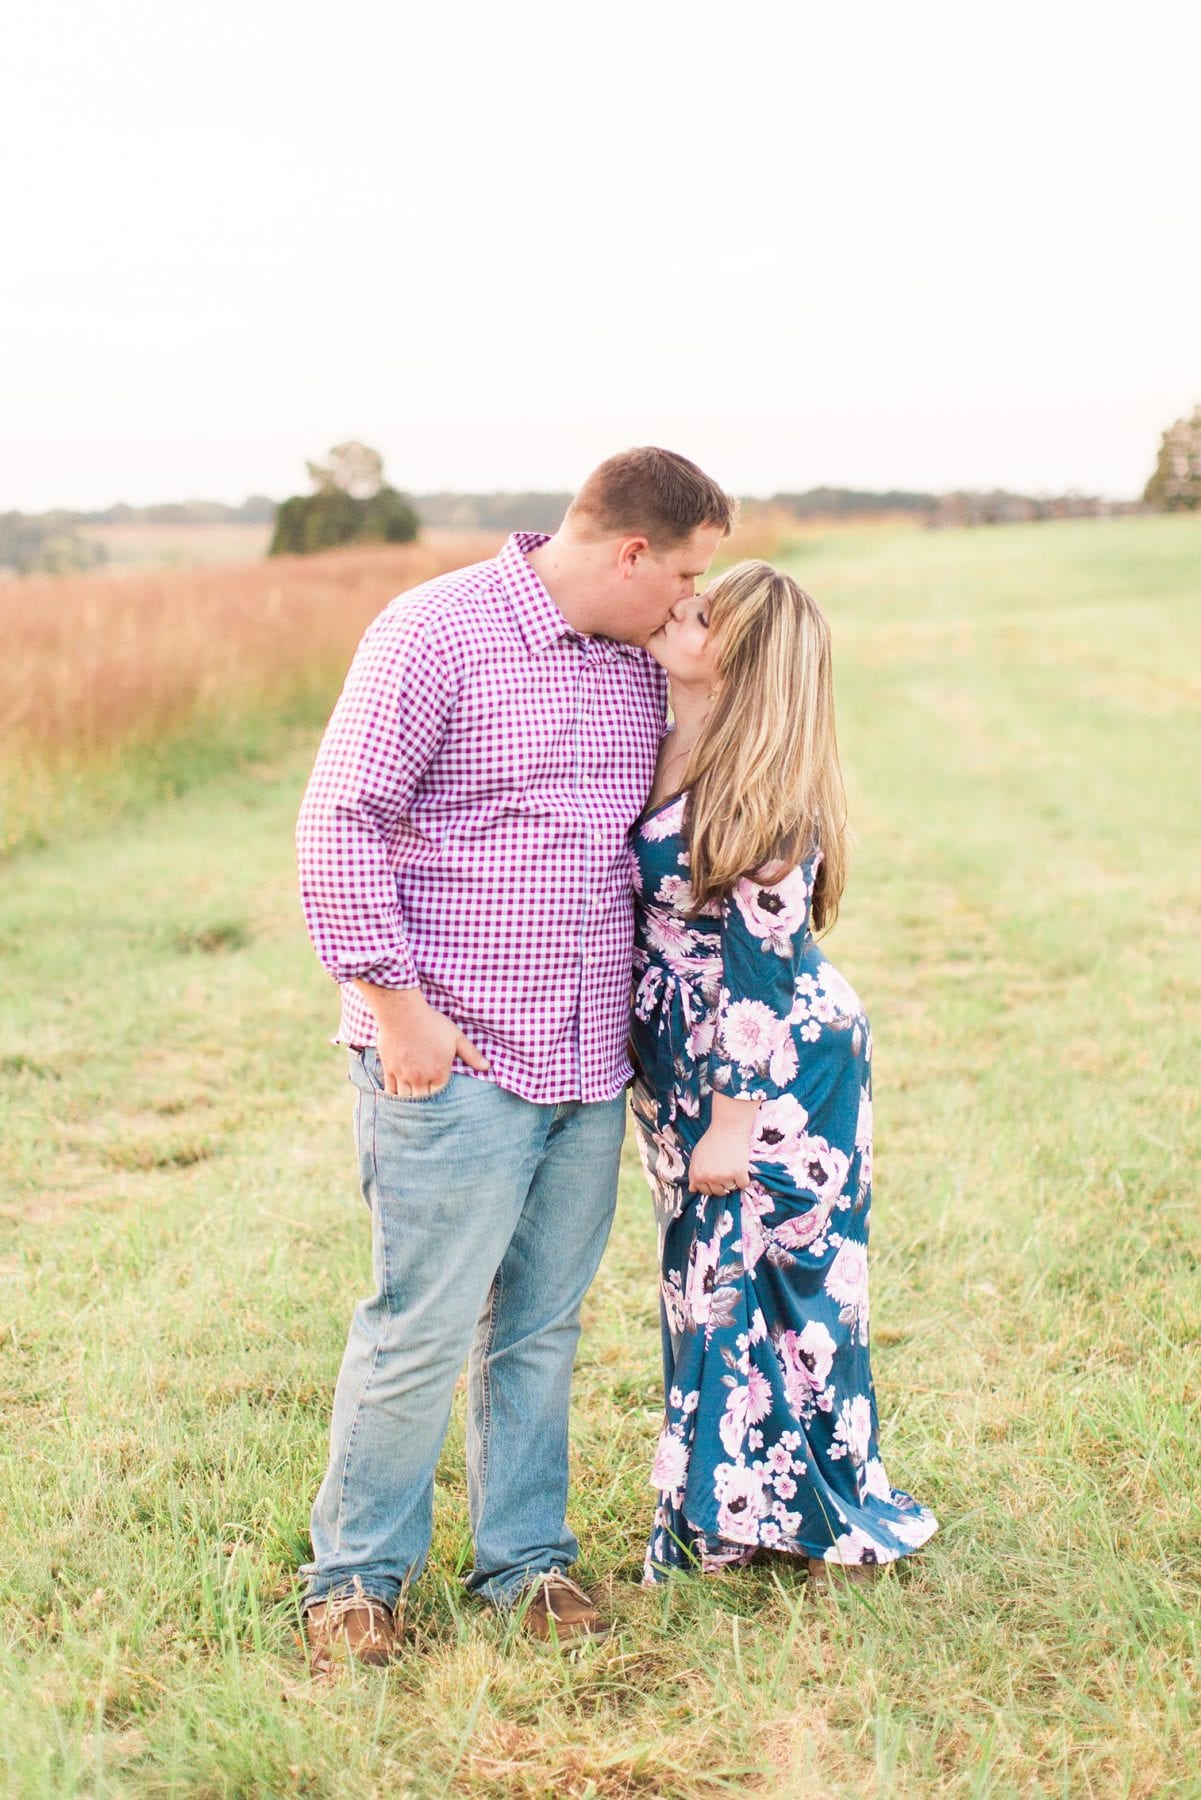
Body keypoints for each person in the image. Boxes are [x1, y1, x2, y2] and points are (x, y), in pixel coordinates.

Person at [295, 447, 736, 1662]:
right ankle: (354, 1582)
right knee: (420, 1326)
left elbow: (651, 833)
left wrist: (691, 695)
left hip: (588, 1056)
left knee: (539, 1327)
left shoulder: (639, 662)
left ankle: (523, 1566)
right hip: (452, 1051)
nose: (693, 604)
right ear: (631, 550)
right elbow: (340, 822)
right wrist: (394, 1006)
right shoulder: (434, 633)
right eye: (688, 577)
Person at [628, 561, 937, 1586]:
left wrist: (730, 1121)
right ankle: (727, 1508)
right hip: (684, 1060)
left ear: (747, 657)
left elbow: (759, 981)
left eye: (704, 613)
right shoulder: (660, 727)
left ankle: (799, 1514)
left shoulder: (763, 793)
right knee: (703, 1277)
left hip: (773, 1071)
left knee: (790, 1282)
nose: (680, 608)